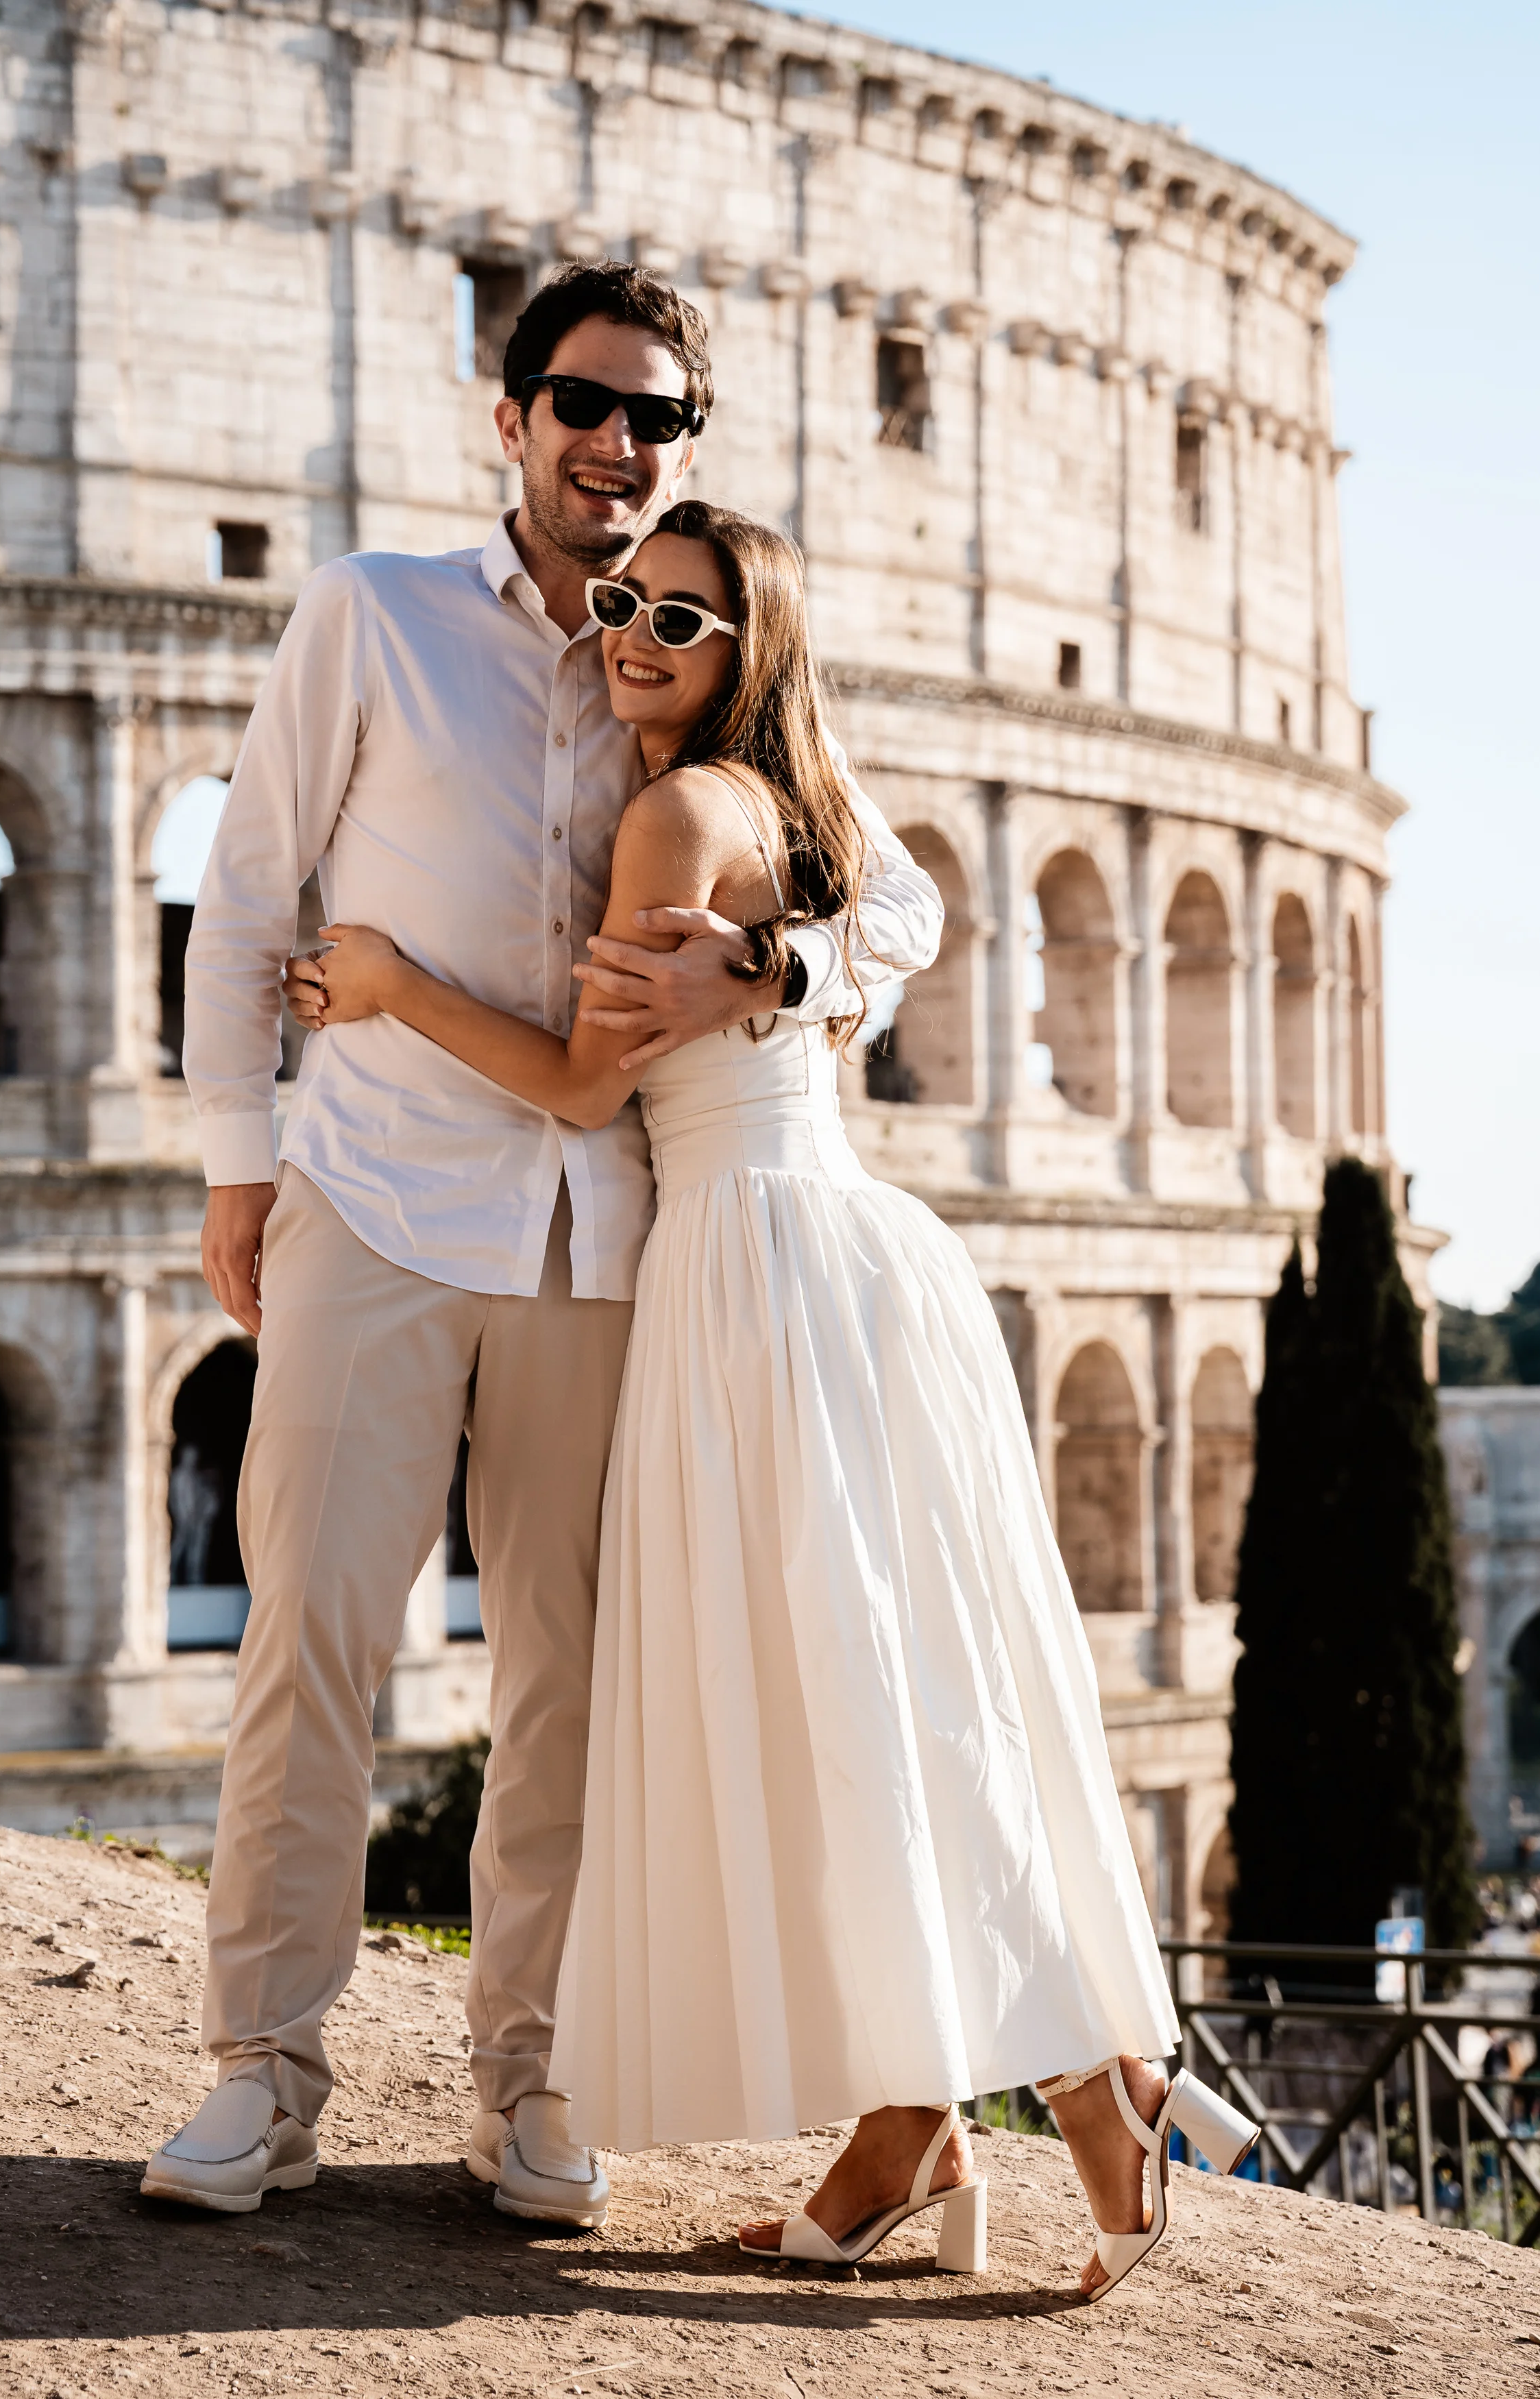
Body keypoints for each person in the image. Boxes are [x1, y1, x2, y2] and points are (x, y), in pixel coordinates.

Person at [309, 499, 1261, 2302]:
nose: (639, 632)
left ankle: (1093, 2089)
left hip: (755, 1274)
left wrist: (387, 984)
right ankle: (911, 2128)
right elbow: (896, 912)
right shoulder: (800, 801)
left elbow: (586, 1097)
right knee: (870, 1694)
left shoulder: (679, 808)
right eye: (621, 601)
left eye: (687, 613)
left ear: (753, 647)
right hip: (839, 1252)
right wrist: (784, 963)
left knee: (840, 1704)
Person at [139, 262, 942, 2231]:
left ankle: (534, 2089)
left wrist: (788, 955)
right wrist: (239, 1162)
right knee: (311, 1639)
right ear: (510, 416)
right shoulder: (377, 616)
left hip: (609, 1244)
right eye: (585, 402)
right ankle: (264, 2070)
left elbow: (901, 897)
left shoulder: (699, 649)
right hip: (387, 1199)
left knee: (572, 1681)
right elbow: (247, 888)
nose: (619, 443)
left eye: (659, 417)